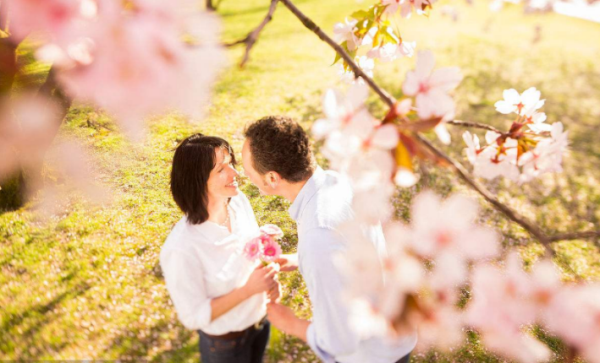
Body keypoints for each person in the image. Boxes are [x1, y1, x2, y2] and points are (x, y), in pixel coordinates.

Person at [241, 116, 417, 363]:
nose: (245, 176)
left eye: (248, 171)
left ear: (272, 178)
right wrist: (299, 259)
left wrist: (291, 324)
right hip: (395, 335)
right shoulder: (338, 181)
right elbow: (347, 248)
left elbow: (340, 342)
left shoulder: (317, 235)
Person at [160, 134, 280, 363]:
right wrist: (248, 290)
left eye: (230, 163)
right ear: (197, 180)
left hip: (261, 323)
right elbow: (194, 317)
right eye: (221, 169)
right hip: (226, 345)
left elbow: (245, 254)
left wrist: (268, 277)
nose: (235, 174)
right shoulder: (181, 248)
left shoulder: (238, 201)